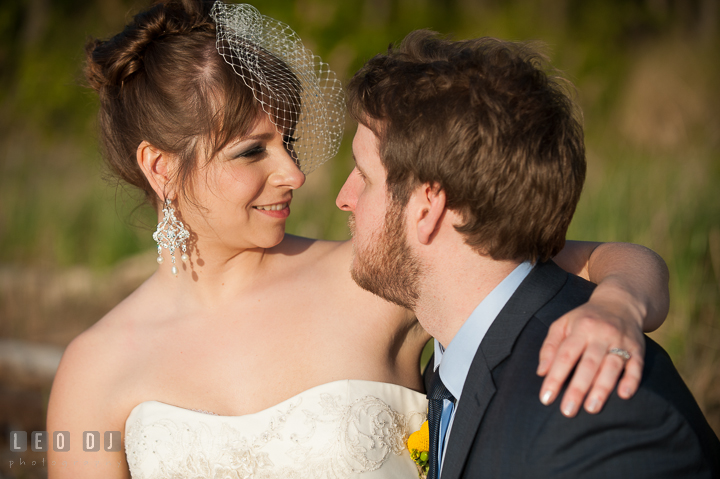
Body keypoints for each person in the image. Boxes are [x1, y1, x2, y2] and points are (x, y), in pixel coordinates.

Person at [47, 2, 670, 478]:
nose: (292, 173)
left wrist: (618, 307)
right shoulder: (93, 370)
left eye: (287, 141)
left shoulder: (370, 276)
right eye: (251, 151)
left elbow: (618, 260)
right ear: (160, 168)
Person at [338, 30, 720, 479]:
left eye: (363, 175)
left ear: (429, 207)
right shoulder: (464, 337)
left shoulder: (595, 412)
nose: (345, 197)